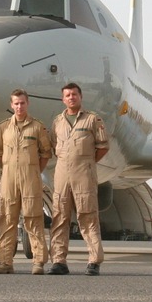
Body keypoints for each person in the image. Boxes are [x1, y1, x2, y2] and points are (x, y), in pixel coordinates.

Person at [48, 82, 109, 275]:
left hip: (84, 173)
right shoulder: (57, 121)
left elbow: (103, 147)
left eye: (74, 94)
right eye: (67, 95)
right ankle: (59, 261)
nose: (71, 98)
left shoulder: (92, 119)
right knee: (59, 217)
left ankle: (94, 260)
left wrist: (87, 163)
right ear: (62, 99)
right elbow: (54, 145)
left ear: (80, 97)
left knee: (87, 216)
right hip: (62, 173)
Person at [0, 89, 52, 274]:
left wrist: (34, 171)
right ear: (11, 105)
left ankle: (38, 262)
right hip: (9, 180)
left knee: (33, 219)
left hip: (30, 180)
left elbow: (45, 154)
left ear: (27, 104)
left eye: (22, 103)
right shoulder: (3, 128)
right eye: (16, 103)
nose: (19, 106)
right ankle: (5, 262)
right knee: (7, 219)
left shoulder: (37, 127)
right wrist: (8, 171)